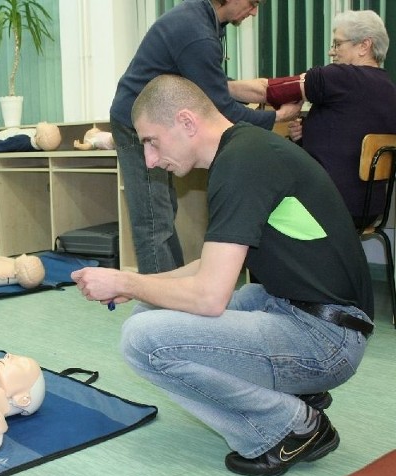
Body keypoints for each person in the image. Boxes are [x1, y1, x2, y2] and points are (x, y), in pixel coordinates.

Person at [73, 74, 374, 476]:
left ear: (186, 122)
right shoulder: (245, 151)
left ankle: (290, 426)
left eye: (151, 141)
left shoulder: (242, 163)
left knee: (143, 341)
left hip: (328, 339)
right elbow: (209, 267)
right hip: (302, 311)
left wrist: (126, 282)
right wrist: (140, 285)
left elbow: (209, 296)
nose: (149, 159)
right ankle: (298, 390)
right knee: (147, 312)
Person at [109, 0, 302, 274]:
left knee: (163, 213)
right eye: (253, 2)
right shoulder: (196, 31)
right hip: (136, 123)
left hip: (155, 116)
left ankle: (169, 291)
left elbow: (216, 84)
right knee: (154, 221)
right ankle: (158, 307)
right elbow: (221, 108)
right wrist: (277, 118)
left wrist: (266, 91)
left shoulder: (205, 20)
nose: (255, 11)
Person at [265, 10, 396, 229]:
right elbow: (349, 137)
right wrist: (306, 136)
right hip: (370, 207)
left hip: (328, 205)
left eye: (337, 44)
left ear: (364, 46)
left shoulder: (342, 77)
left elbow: (268, 90)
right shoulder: (389, 90)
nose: (331, 52)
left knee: (258, 210)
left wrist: (220, 87)